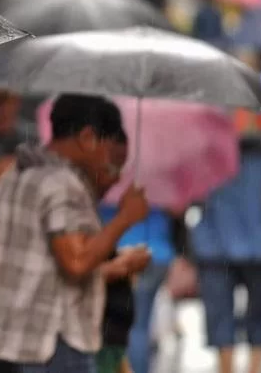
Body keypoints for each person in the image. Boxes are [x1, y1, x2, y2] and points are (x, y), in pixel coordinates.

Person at [0, 94, 150, 373]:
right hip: (54, 344)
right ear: (87, 138)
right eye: (108, 156)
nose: (109, 167)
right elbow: (76, 262)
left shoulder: (17, 173)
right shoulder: (63, 183)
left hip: (12, 340)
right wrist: (125, 218)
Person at [192, 111, 261, 373]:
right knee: (257, 313)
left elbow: (192, 197)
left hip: (218, 245)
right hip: (256, 245)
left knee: (223, 316)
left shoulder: (209, 158)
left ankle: (228, 368)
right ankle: (252, 368)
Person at [95, 130, 152, 373]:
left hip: (111, 339)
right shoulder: (72, 204)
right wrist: (121, 266)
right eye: (112, 167)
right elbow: (78, 270)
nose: (116, 178)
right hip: (95, 340)